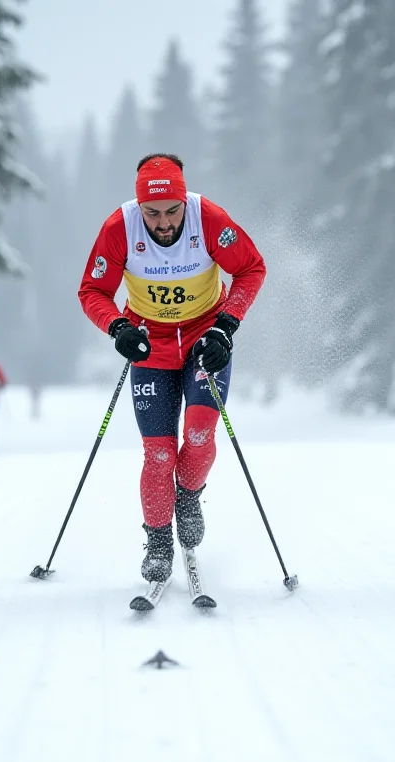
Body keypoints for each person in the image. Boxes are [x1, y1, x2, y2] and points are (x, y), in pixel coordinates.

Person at [78, 153, 266, 582]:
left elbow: (251, 269)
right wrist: (117, 327)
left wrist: (226, 325)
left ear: (185, 202)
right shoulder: (118, 229)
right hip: (151, 347)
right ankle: (159, 541)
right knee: (159, 453)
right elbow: (92, 290)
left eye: (172, 211)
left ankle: (190, 495)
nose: (163, 223)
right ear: (138, 206)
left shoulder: (209, 220)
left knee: (199, 434)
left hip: (204, 341)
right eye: (152, 213)